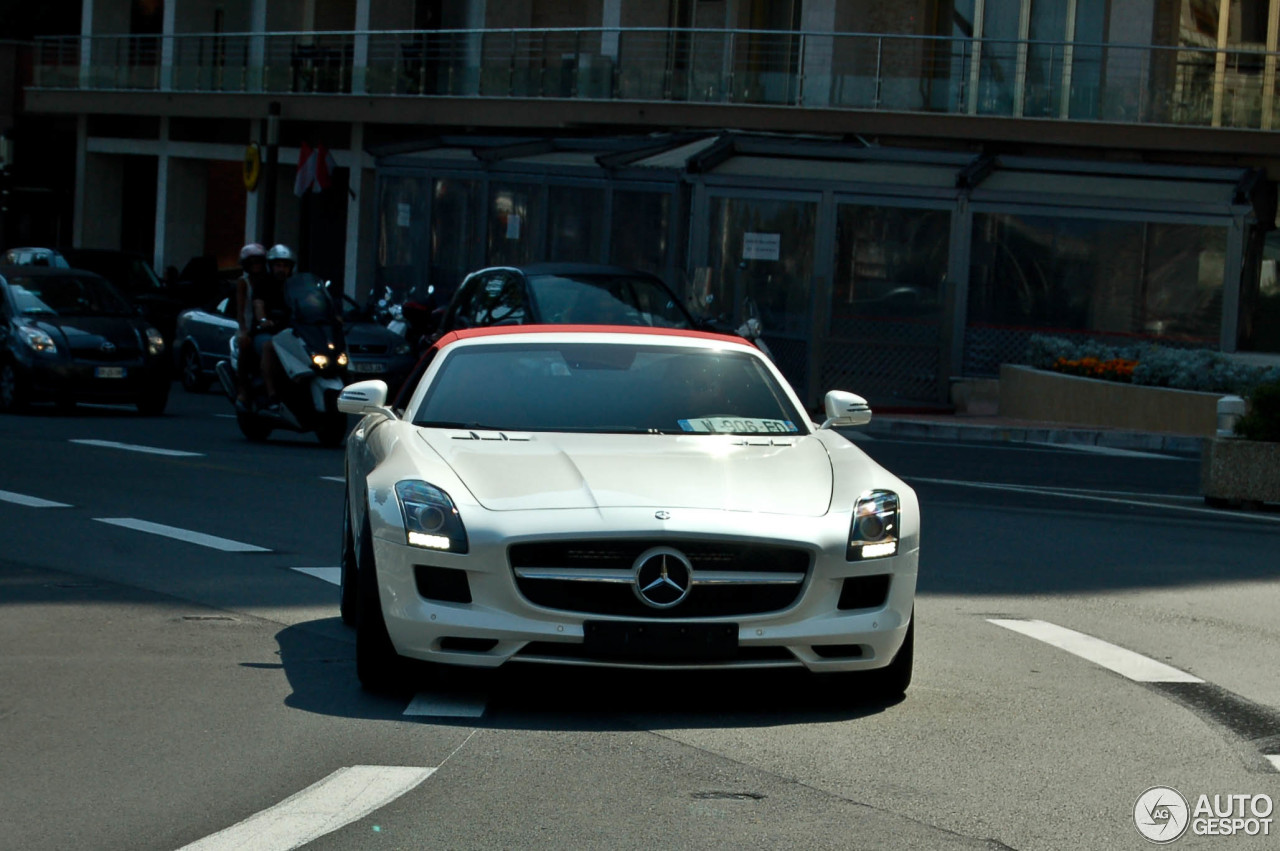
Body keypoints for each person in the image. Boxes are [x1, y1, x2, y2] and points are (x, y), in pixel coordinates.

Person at [253, 244, 296, 414]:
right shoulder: (263, 284)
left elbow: (309, 302)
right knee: (269, 346)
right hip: (267, 332)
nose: (282, 269)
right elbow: (258, 304)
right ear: (271, 266)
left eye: (285, 266)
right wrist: (263, 319)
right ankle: (272, 395)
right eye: (278, 265)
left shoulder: (294, 286)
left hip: (291, 331)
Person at [233, 243, 268, 408]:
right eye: (252, 262)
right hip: (248, 326)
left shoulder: (269, 280)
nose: (256, 265)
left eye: (259, 262)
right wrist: (244, 330)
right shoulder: (243, 282)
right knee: (245, 347)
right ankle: (243, 389)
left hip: (266, 326)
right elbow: (240, 310)